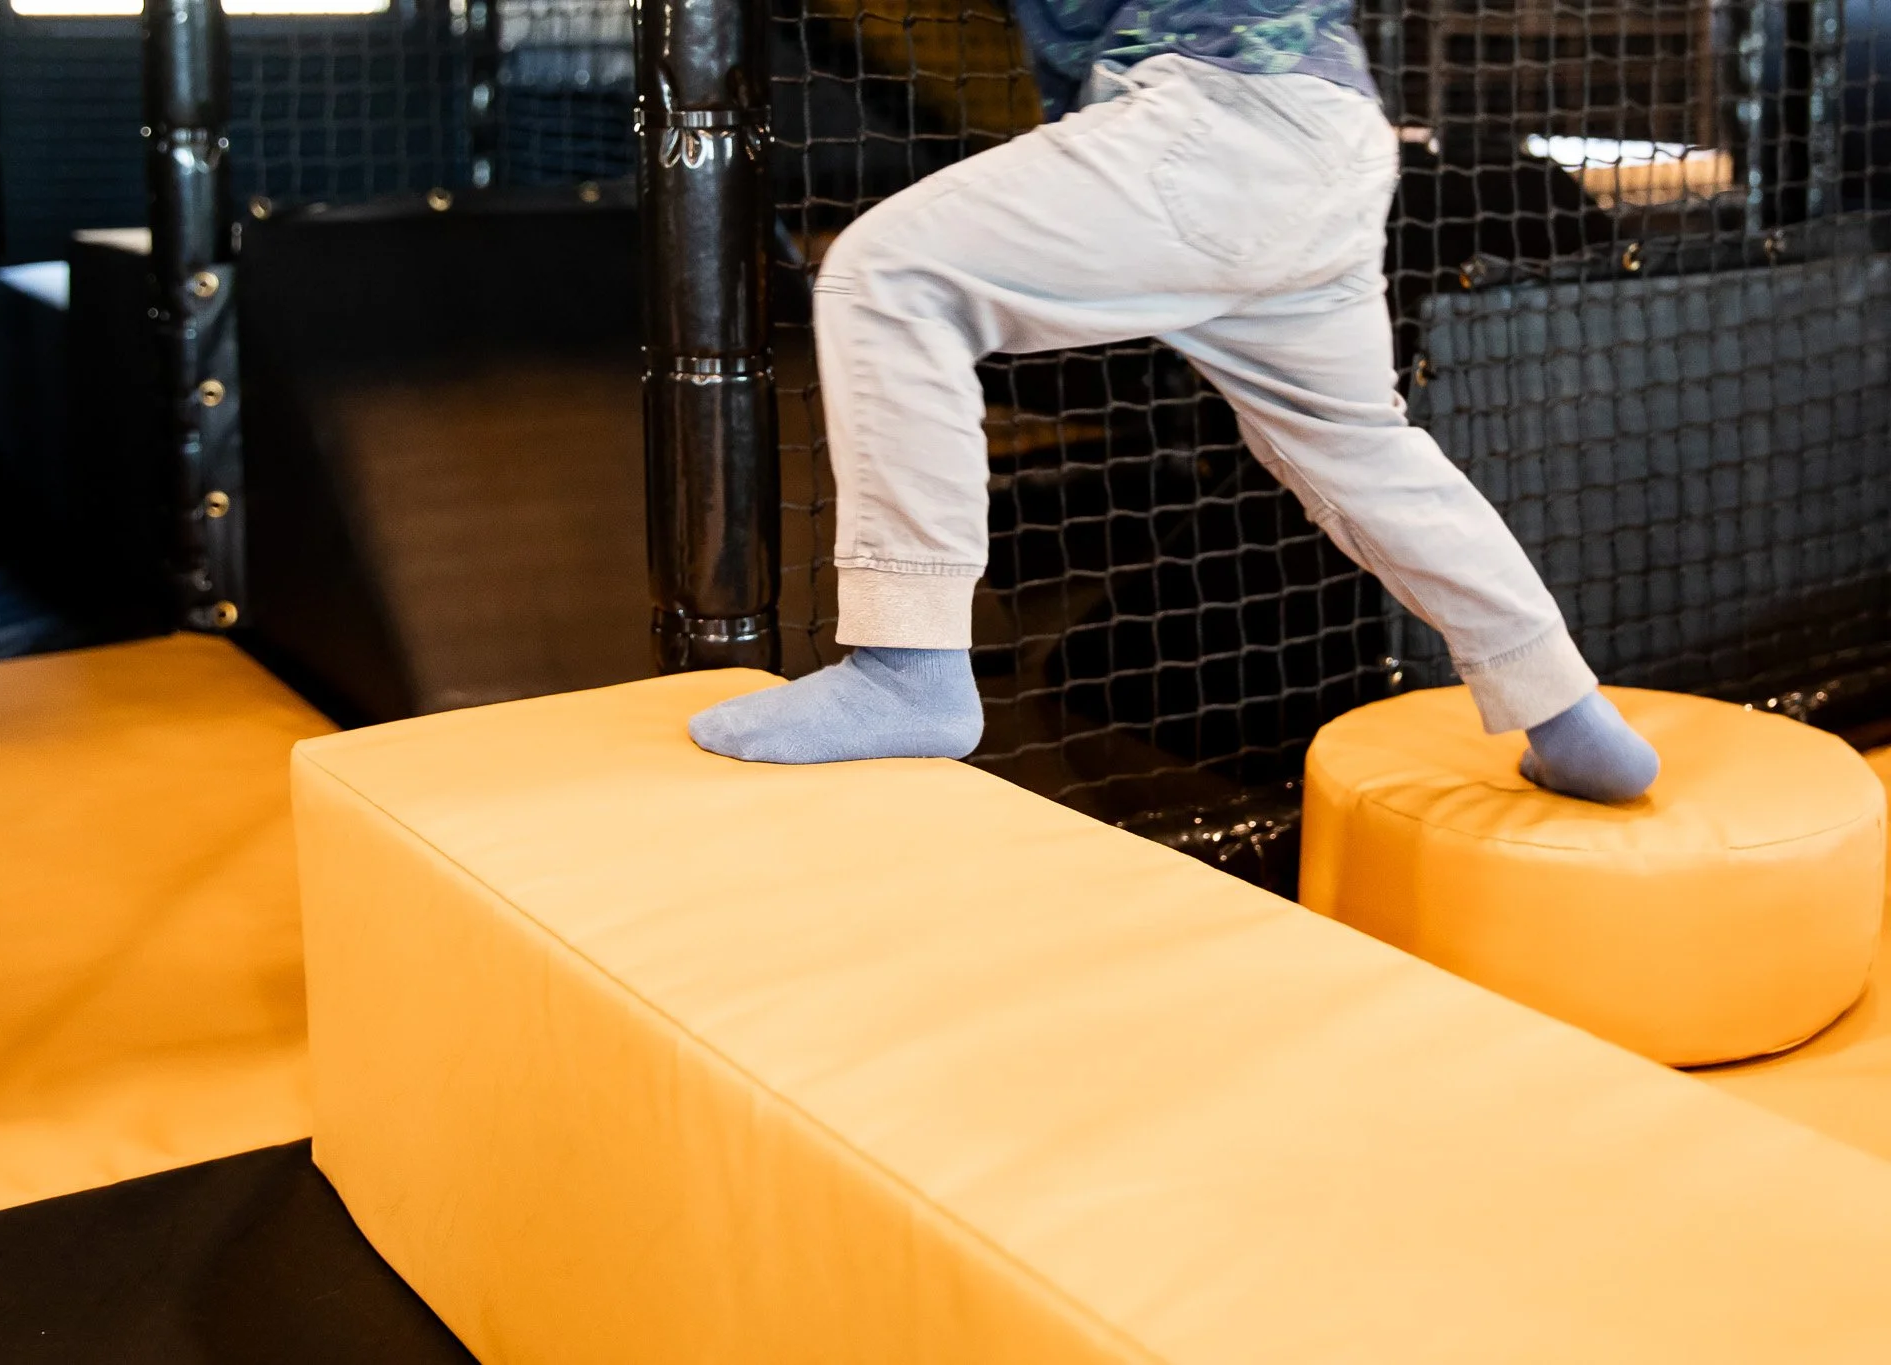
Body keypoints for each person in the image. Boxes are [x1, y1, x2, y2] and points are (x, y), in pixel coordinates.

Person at [689, 0, 1660, 803]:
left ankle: (906, 670)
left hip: (1210, 121)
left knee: (885, 276)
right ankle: (1566, 712)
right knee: (1360, 447)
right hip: (1327, 136)